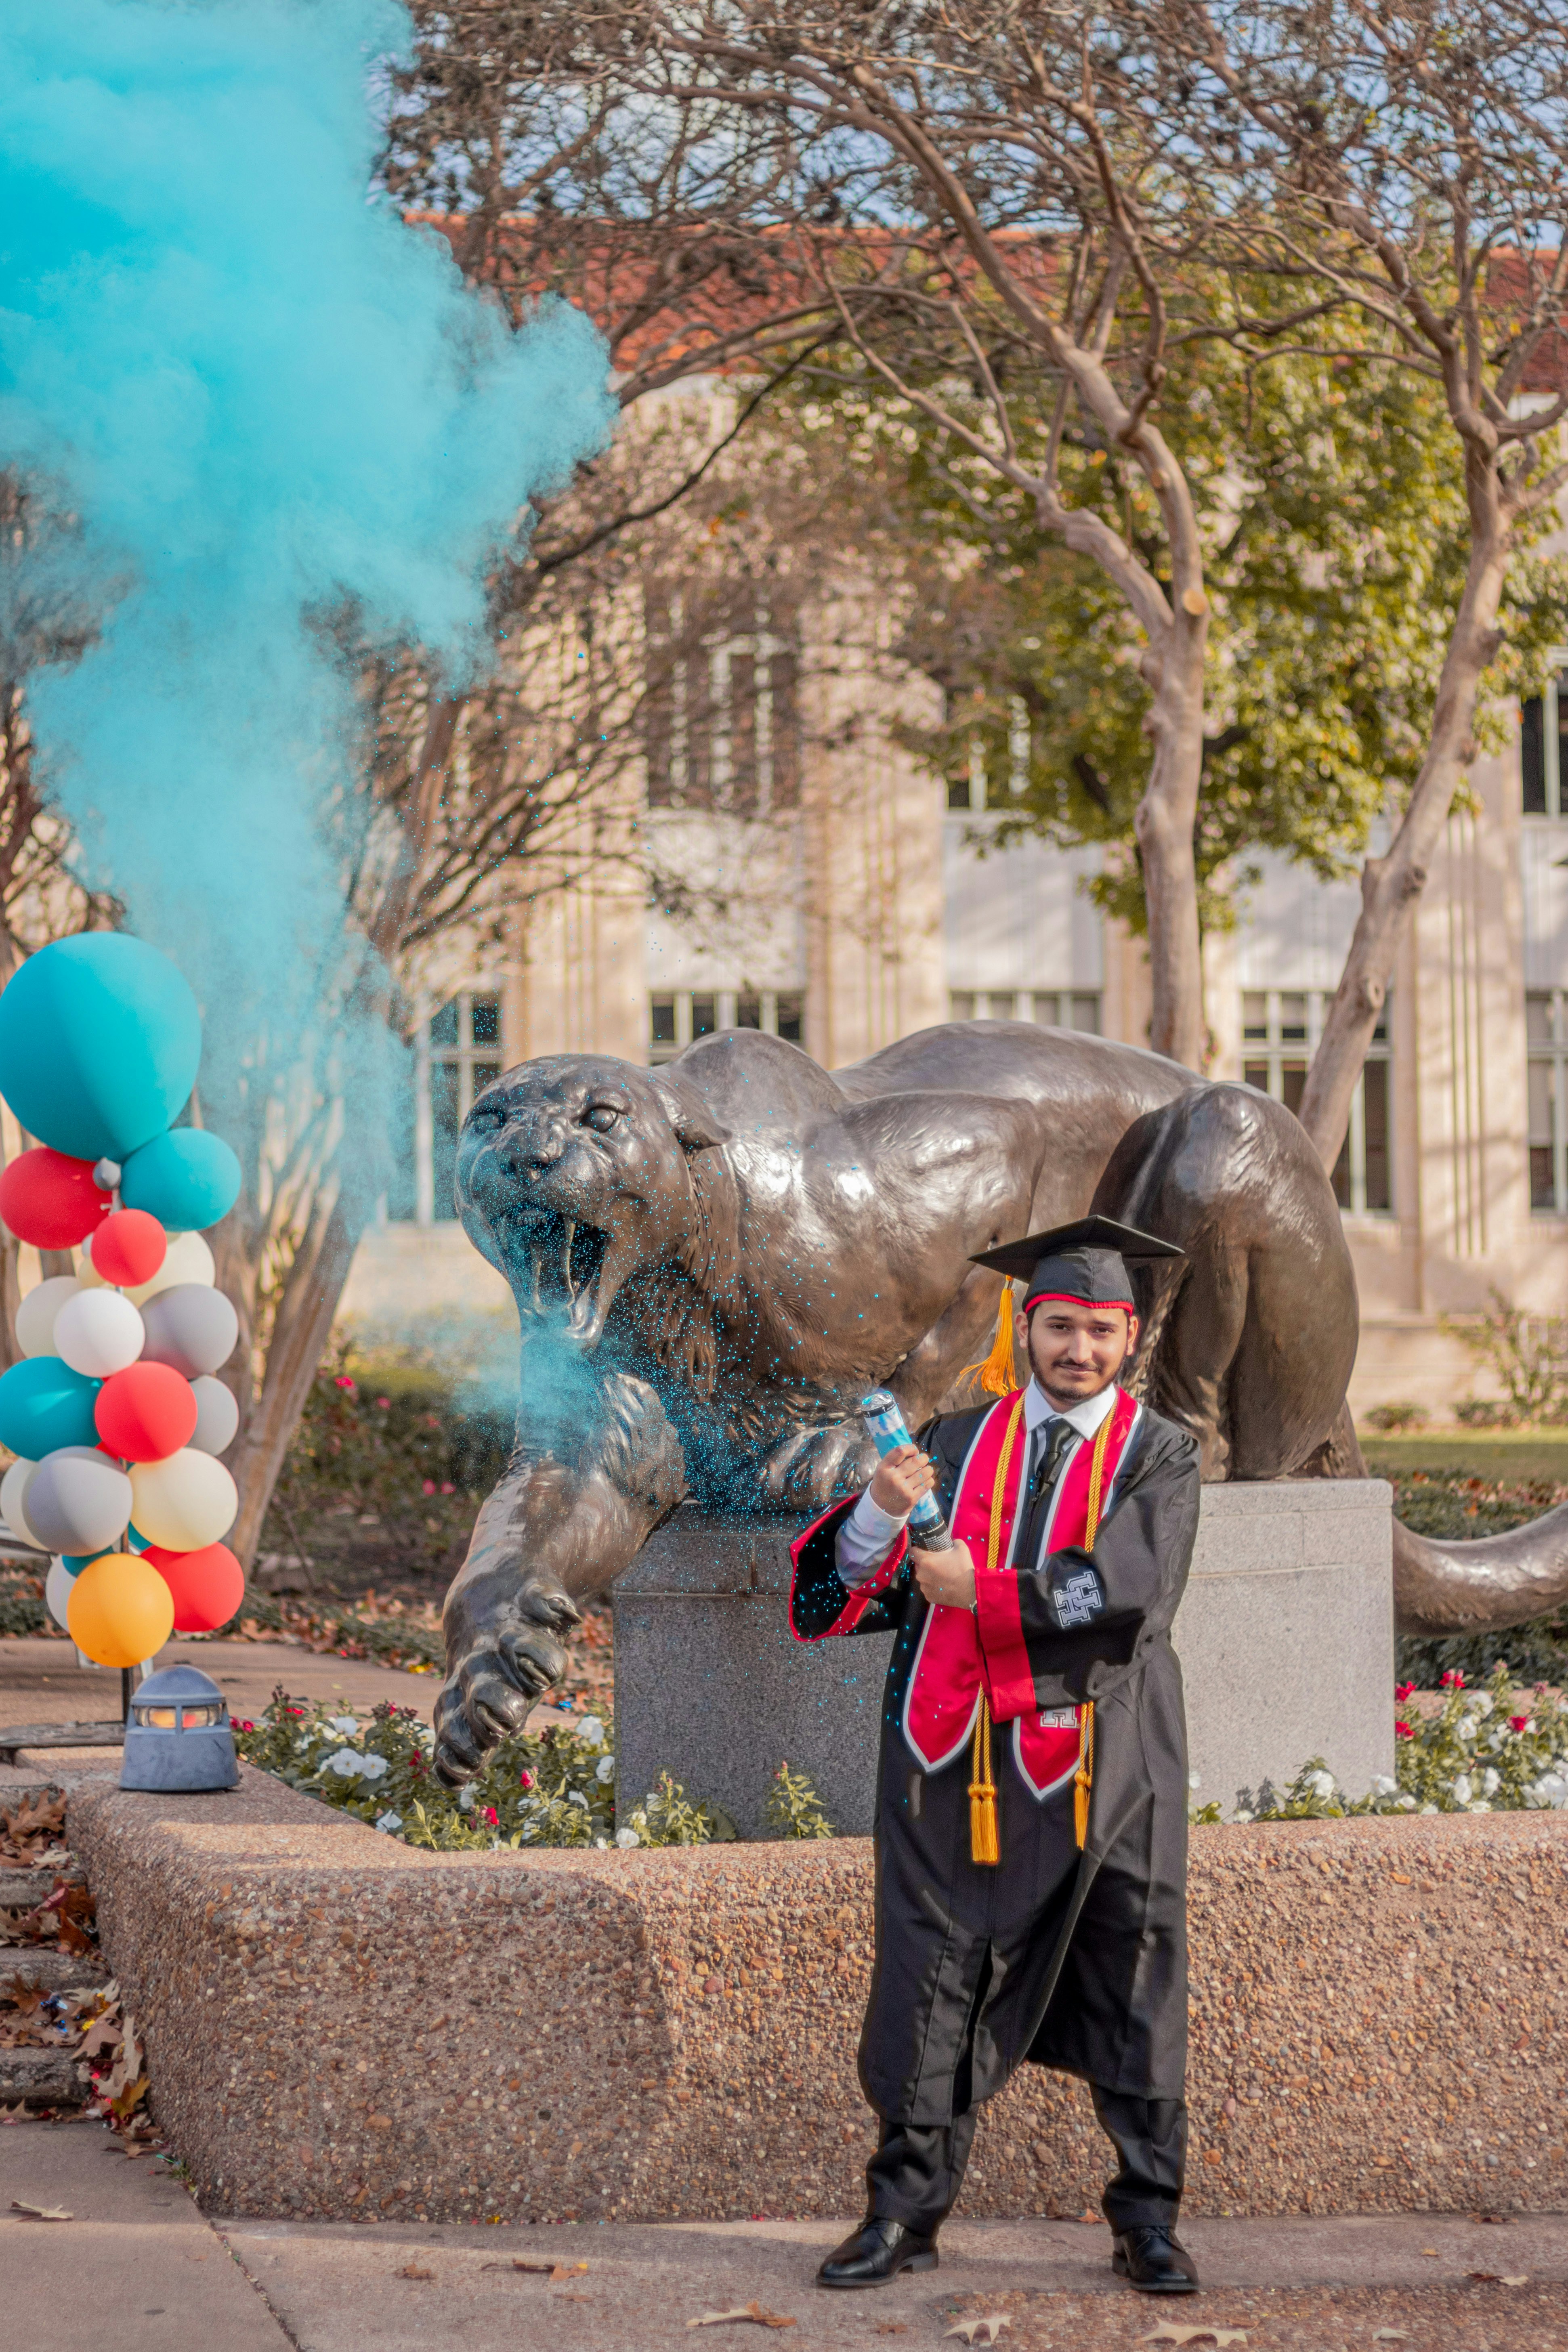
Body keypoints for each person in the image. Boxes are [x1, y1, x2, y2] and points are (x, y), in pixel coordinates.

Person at [788, 1215, 1203, 2297]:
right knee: (928, 1976)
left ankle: (1147, 2217)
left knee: (1133, 1968)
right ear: (1027, 1324)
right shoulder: (958, 1440)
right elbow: (850, 1591)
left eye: (1099, 1331)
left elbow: (1130, 1590)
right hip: (949, 1759)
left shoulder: (1159, 1453)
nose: (1077, 1348)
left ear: (1127, 1338)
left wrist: (992, 1593)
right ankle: (900, 2211)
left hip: (1102, 1761)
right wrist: (880, 1513)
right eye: (1058, 1325)